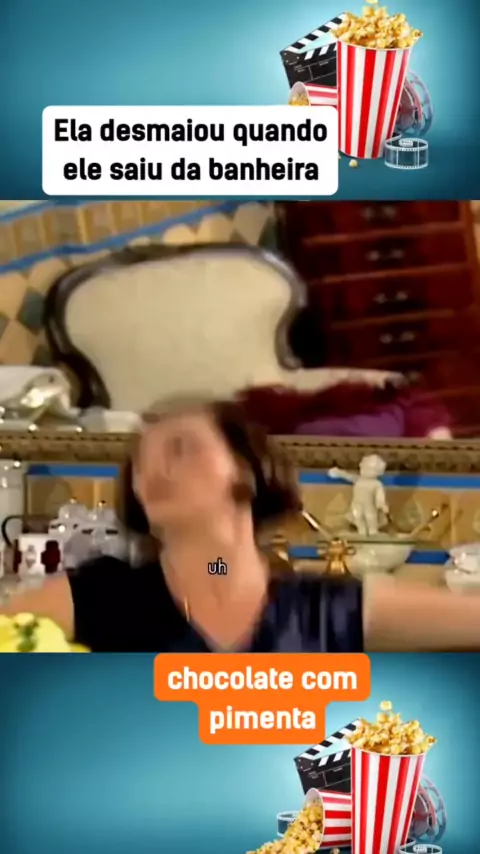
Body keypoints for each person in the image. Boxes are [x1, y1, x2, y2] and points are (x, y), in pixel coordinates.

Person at [2, 397, 480, 653]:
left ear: (246, 471)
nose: (154, 470)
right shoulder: (91, 601)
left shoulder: (328, 613)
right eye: (141, 460)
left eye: (181, 448)